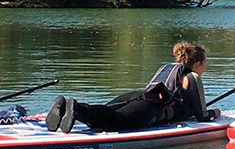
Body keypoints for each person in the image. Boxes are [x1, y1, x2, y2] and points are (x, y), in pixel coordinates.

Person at [45, 42, 219, 133]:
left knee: (107, 113)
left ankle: (71, 108)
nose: (205, 68)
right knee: (117, 122)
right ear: (198, 64)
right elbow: (202, 116)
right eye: (205, 64)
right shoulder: (192, 76)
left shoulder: (167, 67)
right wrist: (215, 113)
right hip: (153, 106)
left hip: (137, 96)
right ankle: (75, 109)